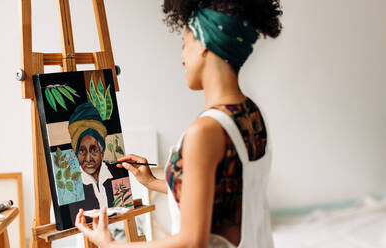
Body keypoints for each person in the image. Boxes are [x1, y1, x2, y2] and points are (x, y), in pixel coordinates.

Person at [75, 1, 282, 247]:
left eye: (185, 44)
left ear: (203, 44)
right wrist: (153, 183)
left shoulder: (205, 132)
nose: (183, 58)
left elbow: (191, 241)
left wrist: (111, 245)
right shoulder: (251, 114)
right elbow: (224, 195)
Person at [67, 103, 128, 209]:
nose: (88, 158)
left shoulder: (116, 172)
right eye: (82, 151)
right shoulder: (72, 187)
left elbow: (124, 206)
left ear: (102, 151)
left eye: (93, 149)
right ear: (76, 154)